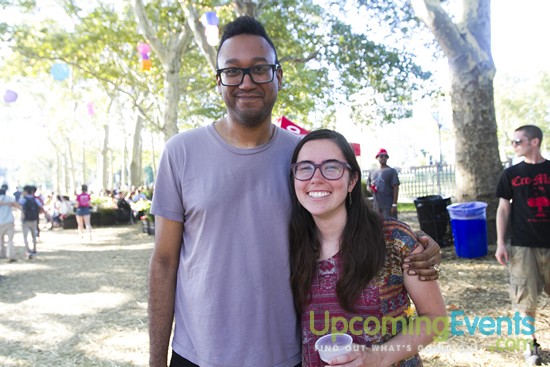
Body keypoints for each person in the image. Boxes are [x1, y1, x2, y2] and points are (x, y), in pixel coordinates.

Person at [149, 16, 442, 367]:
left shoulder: (303, 157)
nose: (246, 82)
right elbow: (164, 262)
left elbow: (352, 220)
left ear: (278, 76)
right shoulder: (180, 152)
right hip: (197, 354)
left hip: (287, 355)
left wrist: (416, 242)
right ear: (218, 80)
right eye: (232, 71)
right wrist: (156, 360)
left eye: (259, 69)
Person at [289, 129, 446, 366]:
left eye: (331, 167)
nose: (316, 178)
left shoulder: (394, 240)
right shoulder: (288, 246)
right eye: (305, 168)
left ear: (352, 180)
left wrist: (379, 356)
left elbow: (435, 318)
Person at [495, 125, 549, 366]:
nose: (514, 145)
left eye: (518, 141)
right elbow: (503, 209)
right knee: (524, 298)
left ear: (534, 141)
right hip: (522, 245)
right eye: (513, 141)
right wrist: (500, 243)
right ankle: (531, 345)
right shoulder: (511, 174)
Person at [367, 148, 400, 219]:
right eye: (381, 156)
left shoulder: (391, 171)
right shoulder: (372, 172)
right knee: (378, 226)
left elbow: (396, 188)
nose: (384, 158)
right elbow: (368, 185)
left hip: (388, 205)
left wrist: (394, 205)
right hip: (376, 206)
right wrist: (370, 189)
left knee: (391, 226)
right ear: (377, 157)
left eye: (386, 156)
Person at [19, 185, 42, 258]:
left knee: (25, 236)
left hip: (25, 220)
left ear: (25, 191)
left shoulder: (23, 199)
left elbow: (19, 207)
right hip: (34, 219)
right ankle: (34, 249)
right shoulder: (35, 199)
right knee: (34, 235)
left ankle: (27, 250)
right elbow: (40, 206)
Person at [0, 188, 19, 262]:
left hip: (0, 222)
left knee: (1, 240)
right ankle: (11, 255)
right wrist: (8, 204)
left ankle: (2, 254)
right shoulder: (9, 198)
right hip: (9, 221)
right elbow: (17, 205)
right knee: (10, 240)